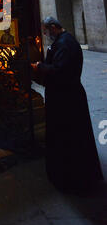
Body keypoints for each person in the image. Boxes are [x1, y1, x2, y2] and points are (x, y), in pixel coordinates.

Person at [31, 17, 103, 192]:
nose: (47, 35)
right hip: (64, 96)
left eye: (47, 31)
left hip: (67, 98)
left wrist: (40, 66)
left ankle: (75, 179)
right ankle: (67, 175)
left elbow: (60, 70)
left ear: (54, 27)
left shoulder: (66, 44)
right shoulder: (64, 42)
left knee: (71, 137)